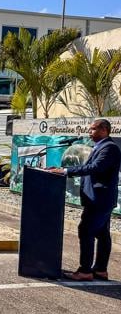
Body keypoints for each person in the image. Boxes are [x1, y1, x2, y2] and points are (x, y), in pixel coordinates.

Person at [48, 119, 121, 281]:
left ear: (104, 130)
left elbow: (95, 168)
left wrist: (65, 171)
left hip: (99, 199)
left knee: (86, 231)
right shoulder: (102, 146)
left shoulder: (109, 148)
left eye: (93, 129)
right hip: (100, 199)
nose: (89, 132)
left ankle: (85, 271)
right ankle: (100, 270)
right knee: (102, 234)